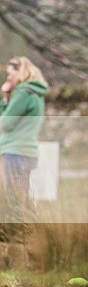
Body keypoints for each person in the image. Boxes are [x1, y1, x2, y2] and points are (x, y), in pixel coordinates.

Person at [0, 56, 49, 233]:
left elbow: (5, 124)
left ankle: (22, 235)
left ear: (21, 72)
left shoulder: (22, 93)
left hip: (15, 151)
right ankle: (32, 234)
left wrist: (6, 97)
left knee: (15, 200)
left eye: (11, 75)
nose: (8, 79)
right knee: (21, 197)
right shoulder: (35, 93)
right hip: (26, 151)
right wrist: (6, 96)